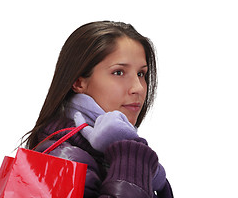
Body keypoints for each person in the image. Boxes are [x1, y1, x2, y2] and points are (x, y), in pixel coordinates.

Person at [23, 21, 174, 198]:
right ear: (79, 82)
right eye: (118, 72)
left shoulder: (103, 154)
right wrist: (130, 156)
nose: (138, 88)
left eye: (141, 74)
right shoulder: (62, 158)